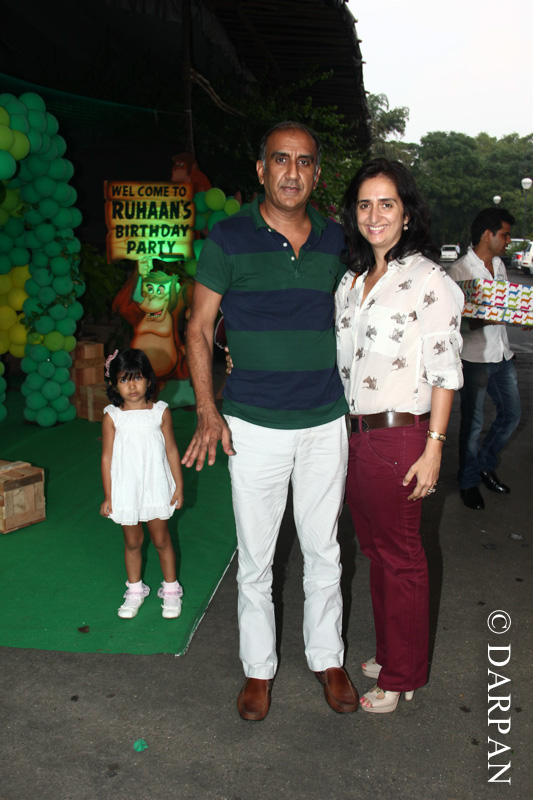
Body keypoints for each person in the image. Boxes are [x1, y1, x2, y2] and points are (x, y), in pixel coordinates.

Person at [182, 121, 358, 721]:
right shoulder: (228, 238)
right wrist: (208, 409)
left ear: (316, 174)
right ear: (261, 170)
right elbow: (198, 328)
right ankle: (258, 669)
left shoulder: (338, 241)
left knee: (324, 549)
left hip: (324, 421)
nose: (292, 172)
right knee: (256, 557)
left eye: (304, 161)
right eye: (280, 160)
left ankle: (327, 658)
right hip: (253, 426)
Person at [337, 158, 464, 713]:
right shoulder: (352, 281)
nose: (375, 215)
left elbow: (445, 371)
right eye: (365, 204)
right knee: (376, 551)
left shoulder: (429, 281)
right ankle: (392, 651)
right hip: (355, 436)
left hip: (401, 437)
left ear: (407, 213)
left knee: (402, 555)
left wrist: (435, 446)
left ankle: (403, 673)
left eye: (386, 203)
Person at [100, 348, 184, 619]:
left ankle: (171, 589)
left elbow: (171, 449)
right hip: (127, 489)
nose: (132, 386)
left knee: (161, 539)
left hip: (156, 486)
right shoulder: (112, 416)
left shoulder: (160, 412)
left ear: (149, 380)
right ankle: (135, 589)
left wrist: (178, 486)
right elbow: (106, 458)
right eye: (124, 380)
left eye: (137, 378)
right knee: (133, 541)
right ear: (114, 384)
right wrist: (109, 495)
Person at [449, 208, 521, 510]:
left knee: (512, 415)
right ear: (487, 234)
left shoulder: (500, 265)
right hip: (475, 358)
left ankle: (484, 464)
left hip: (503, 354)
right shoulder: (459, 272)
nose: (508, 241)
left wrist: (521, 316)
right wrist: (483, 319)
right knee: (473, 424)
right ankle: (468, 482)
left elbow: (505, 306)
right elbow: (452, 323)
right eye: (505, 234)